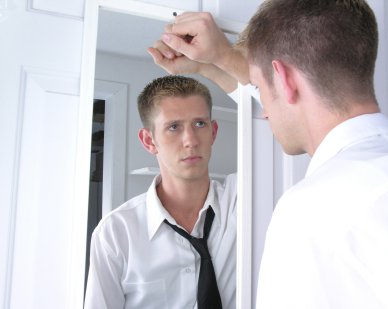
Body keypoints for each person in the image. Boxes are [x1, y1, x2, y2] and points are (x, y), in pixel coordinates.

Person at [149, 1, 388, 308]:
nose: (264, 114)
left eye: (260, 88)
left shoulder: (308, 212)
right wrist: (220, 61)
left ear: (284, 80)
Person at [84, 75, 237, 309]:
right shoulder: (115, 233)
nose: (191, 140)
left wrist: (217, 60)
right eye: (173, 127)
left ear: (213, 132)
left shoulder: (243, 202)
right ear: (149, 141)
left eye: (199, 124)